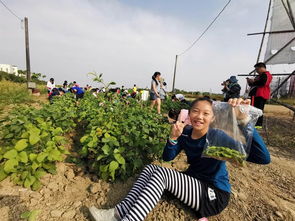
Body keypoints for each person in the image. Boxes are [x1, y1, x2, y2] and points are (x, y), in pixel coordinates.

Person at [88, 97, 270, 221]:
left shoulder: (218, 138)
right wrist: (173, 138)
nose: (199, 116)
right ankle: (117, 213)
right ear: (189, 114)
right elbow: (167, 158)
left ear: (213, 117)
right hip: (192, 184)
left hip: (213, 195)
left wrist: (244, 120)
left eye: (206, 113)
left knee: (162, 175)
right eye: (195, 111)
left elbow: (263, 158)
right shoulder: (186, 133)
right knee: (150, 168)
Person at [247, 62, 273, 128]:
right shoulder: (259, 76)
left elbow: (263, 83)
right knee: (253, 109)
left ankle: (258, 125)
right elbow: (254, 84)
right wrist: (249, 82)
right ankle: (253, 123)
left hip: (261, 95)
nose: (257, 71)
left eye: (257, 69)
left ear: (262, 68)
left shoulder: (266, 75)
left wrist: (254, 81)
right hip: (255, 95)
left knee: (259, 110)